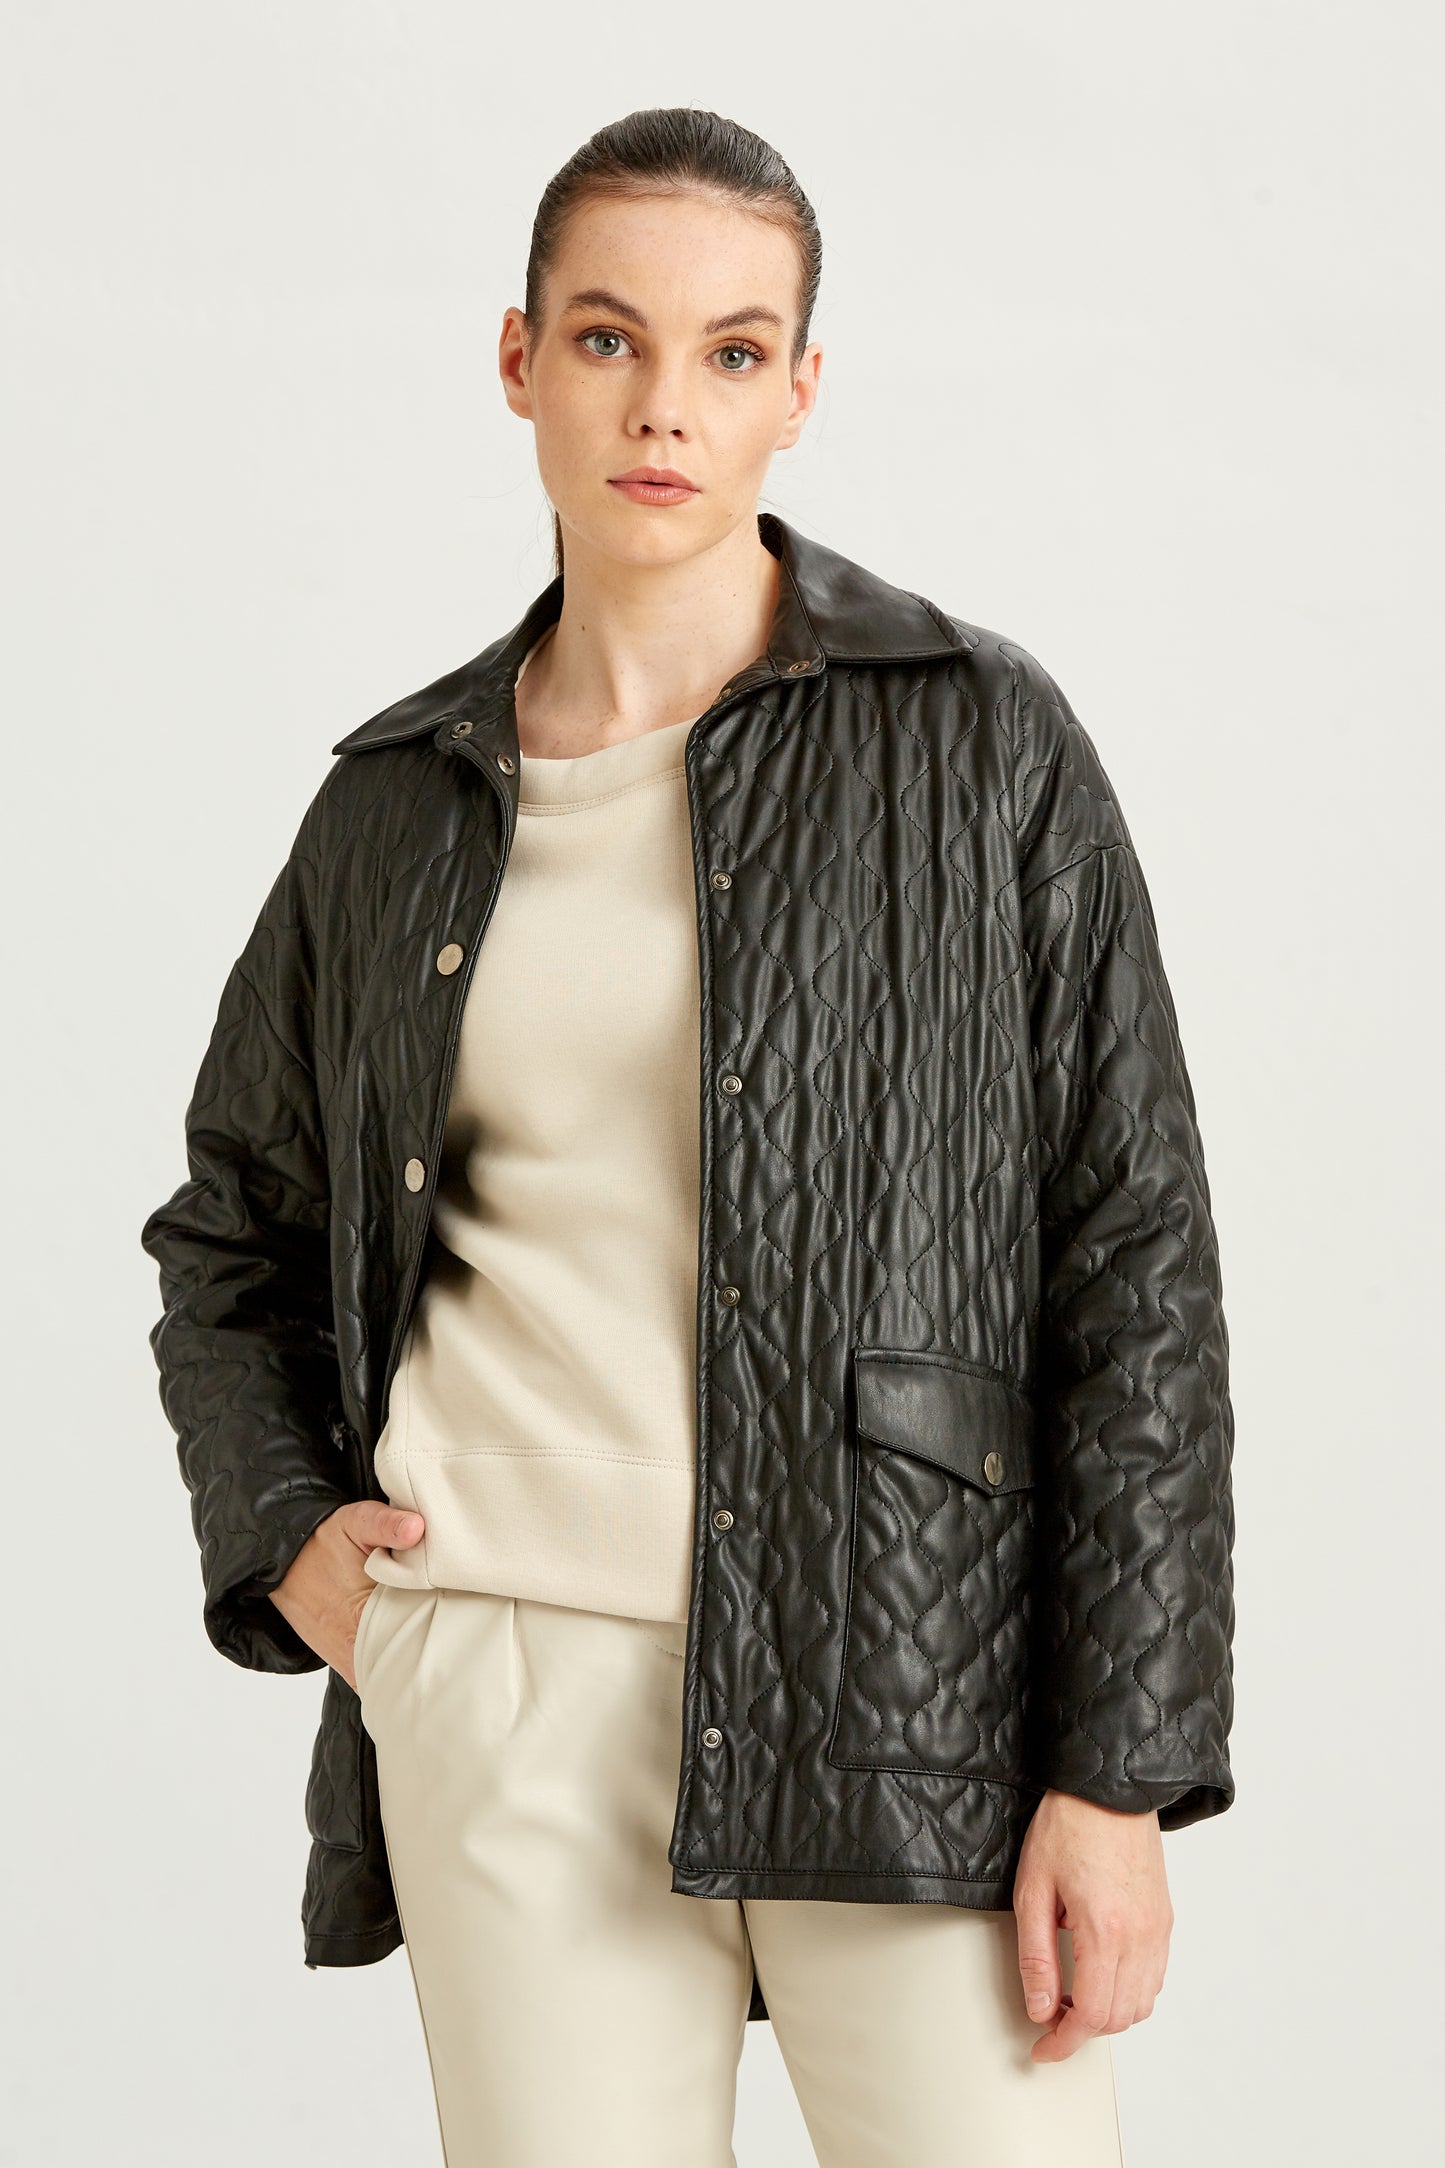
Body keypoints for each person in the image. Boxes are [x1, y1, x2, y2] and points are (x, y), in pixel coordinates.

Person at [140, 105, 1235, 2168]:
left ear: (800, 388)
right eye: (607, 339)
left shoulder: (976, 737)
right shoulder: (391, 809)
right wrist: (292, 1542)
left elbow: (1134, 1257)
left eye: (732, 352)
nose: (665, 406)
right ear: (519, 360)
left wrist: (1119, 1768)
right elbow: (232, 1234)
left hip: (907, 1672)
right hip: (506, 1693)